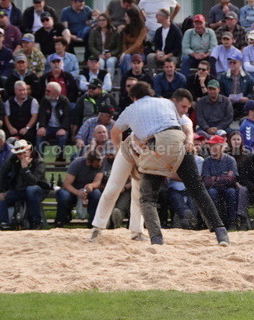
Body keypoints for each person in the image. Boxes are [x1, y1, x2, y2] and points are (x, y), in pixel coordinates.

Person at [110, 81, 229, 246]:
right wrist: (188, 140)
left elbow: (115, 132)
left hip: (157, 144)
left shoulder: (131, 109)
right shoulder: (165, 102)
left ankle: (157, 239)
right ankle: (221, 233)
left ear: (133, 97)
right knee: (198, 189)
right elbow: (186, 124)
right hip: (177, 139)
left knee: (147, 198)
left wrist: (119, 149)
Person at [0, 139, 48, 230]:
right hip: (19, 189)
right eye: (19, 154)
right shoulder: (13, 159)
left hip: (38, 191)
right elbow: (1, 173)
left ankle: (36, 222)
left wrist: (25, 168)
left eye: (24, 153)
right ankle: (4, 223)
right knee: (1, 198)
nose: (22, 155)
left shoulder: (39, 162)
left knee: (31, 189)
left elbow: (33, 182)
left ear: (29, 150)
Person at [54, 149, 105, 227]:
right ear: (89, 162)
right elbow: (66, 184)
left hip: (88, 190)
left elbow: (97, 182)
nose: (99, 165)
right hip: (73, 189)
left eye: (100, 161)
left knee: (96, 194)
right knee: (64, 195)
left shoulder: (100, 165)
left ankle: (92, 222)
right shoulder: (77, 163)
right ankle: (60, 220)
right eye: (96, 163)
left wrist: (91, 185)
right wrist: (77, 192)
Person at [201, 135, 239, 229]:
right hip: (213, 189)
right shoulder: (207, 161)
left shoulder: (230, 160)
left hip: (227, 188)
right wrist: (223, 178)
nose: (212, 148)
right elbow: (207, 181)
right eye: (210, 145)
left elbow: (232, 179)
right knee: (212, 192)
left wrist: (215, 179)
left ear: (222, 147)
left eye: (215, 145)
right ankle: (216, 222)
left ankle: (232, 222)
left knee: (232, 192)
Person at [35, 81, 72, 160]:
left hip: (60, 127)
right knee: (39, 135)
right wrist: (42, 126)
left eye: (48, 91)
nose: (46, 92)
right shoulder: (44, 100)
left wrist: (64, 128)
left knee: (63, 137)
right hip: (48, 127)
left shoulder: (64, 101)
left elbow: (67, 116)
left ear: (56, 92)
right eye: (46, 90)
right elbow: (42, 115)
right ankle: (39, 160)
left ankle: (60, 158)